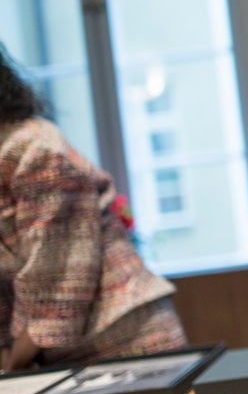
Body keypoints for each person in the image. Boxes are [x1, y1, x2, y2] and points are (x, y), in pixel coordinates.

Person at [0, 48, 188, 373]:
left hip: (121, 348)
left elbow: (59, 284)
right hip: (43, 362)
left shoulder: (32, 147)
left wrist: (8, 366)